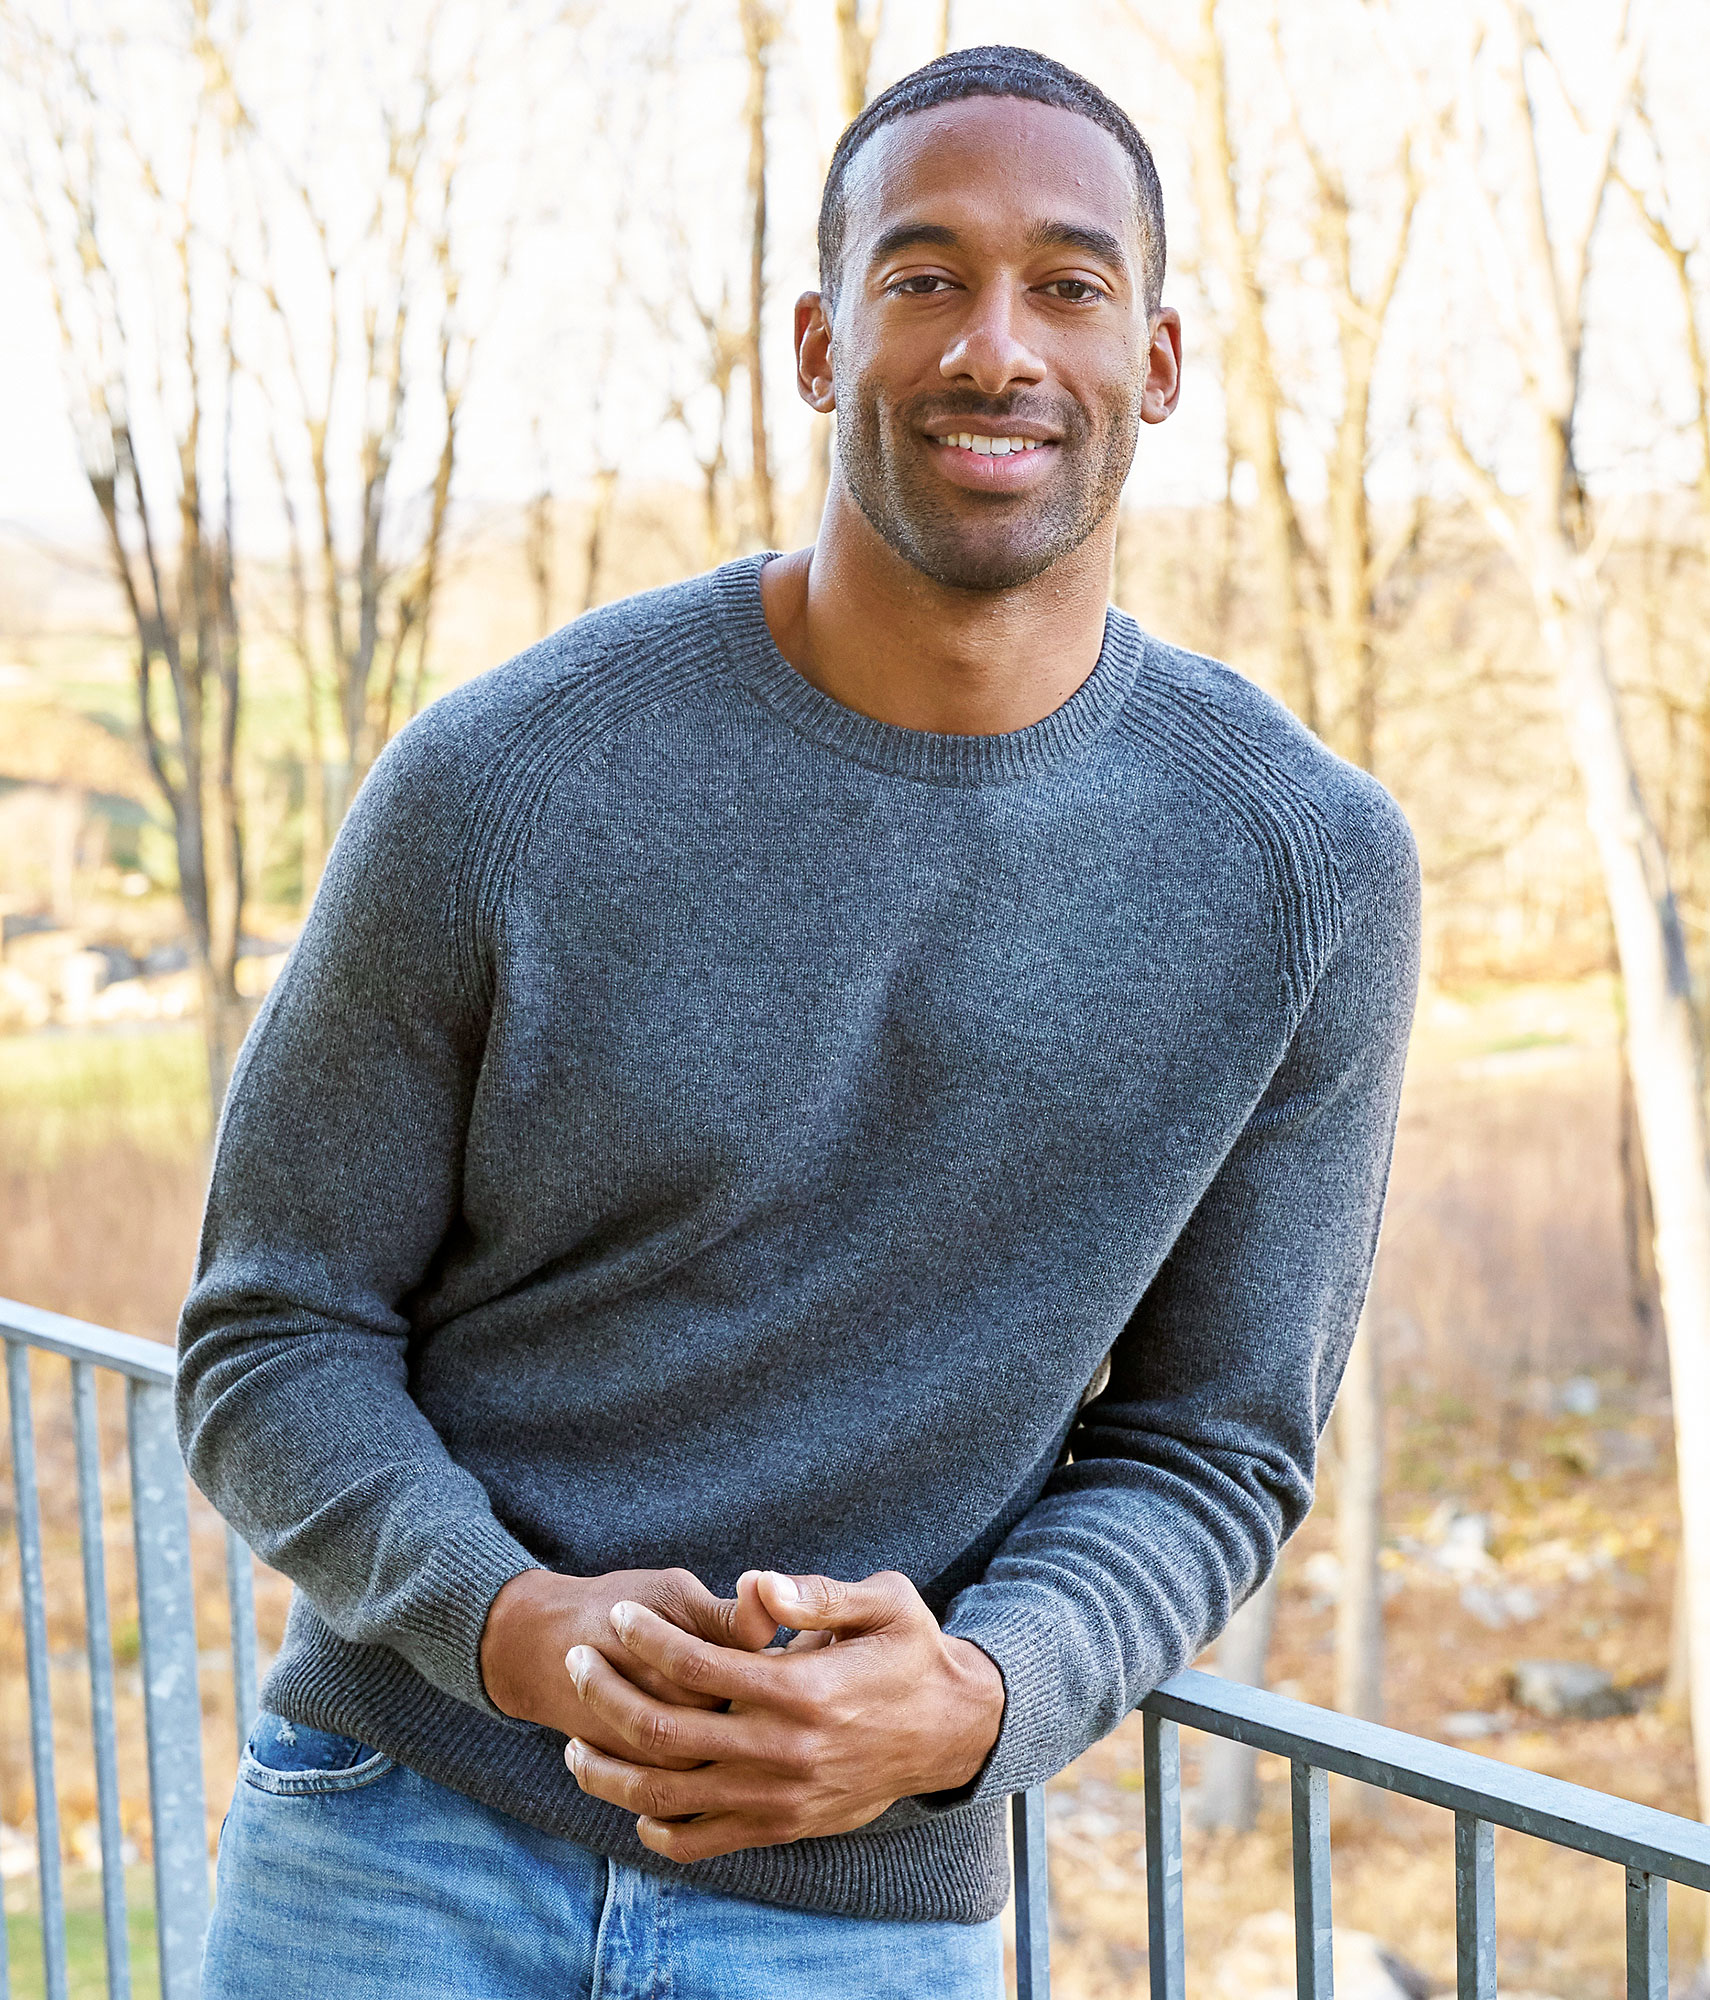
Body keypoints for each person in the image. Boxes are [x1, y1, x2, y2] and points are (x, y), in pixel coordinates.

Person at [179, 42, 1419, 2000]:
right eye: (925, 277)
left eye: (1067, 284)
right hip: (397, 1843)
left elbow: (1215, 1441)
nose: (995, 346)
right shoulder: (502, 782)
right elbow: (272, 1333)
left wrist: (985, 1696)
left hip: (860, 1922)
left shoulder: (1305, 871)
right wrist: (507, 1626)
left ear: (1156, 360)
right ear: (821, 346)